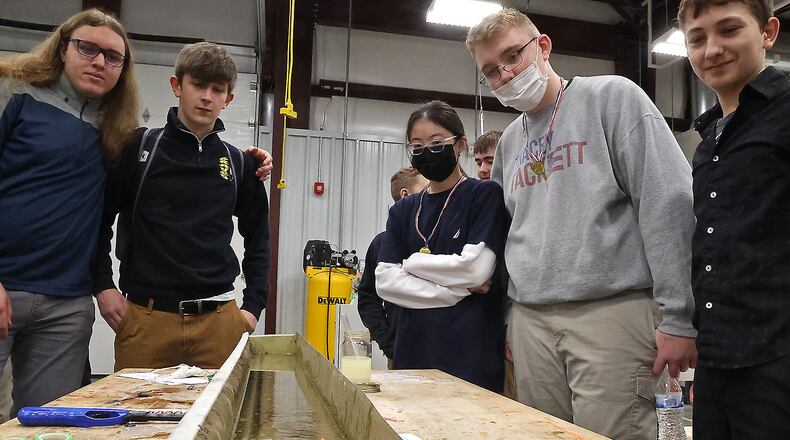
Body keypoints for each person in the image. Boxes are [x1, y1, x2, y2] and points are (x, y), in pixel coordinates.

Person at [466, 9, 697, 438]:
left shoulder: (612, 98)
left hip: (610, 311)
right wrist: (507, 319)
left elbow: (667, 203)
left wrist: (678, 317)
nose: (505, 74)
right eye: (491, 72)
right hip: (530, 320)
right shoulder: (510, 142)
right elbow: (501, 235)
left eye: (513, 56)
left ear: (544, 46)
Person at [94, 42, 270, 370]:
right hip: (147, 322)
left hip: (219, 325)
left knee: (220, 421)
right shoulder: (138, 148)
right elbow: (99, 221)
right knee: (137, 420)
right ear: (177, 86)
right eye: (198, 85)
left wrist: (253, 307)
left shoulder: (240, 164)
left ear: (228, 99)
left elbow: (259, 238)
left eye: (217, 90)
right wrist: (103, 285)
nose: (206, 97)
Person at [0, 9, 140, 415]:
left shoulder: (115, 129)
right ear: (63, 49)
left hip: (65, 308)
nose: (99, 62)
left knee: (48, 425)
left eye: (113, 57)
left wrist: (249, 161)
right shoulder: (14, 92)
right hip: (4, 287)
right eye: (88, 48)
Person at [678, 1, 790, 438]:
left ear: (768, 32)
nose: (713, 49)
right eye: (698, 37)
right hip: (718, 357)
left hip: (777, 356)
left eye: (729, 30)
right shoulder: (707, 141)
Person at [375, 100, 509, 392]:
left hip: (471, 353)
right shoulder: (403, 210)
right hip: (413, 353)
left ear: (460, 145)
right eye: (417, 146)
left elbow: (475, 270)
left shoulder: (484, 195)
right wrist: (453, 290)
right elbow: (385, 281)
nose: (427, 153)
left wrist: (411, 265)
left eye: (437, 143)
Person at [357, 167, 427, 367]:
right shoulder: (382, 244)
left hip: (444, 352)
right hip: (402, 356)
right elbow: (368, 297)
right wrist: (389, 343)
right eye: (426, 188)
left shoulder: (437, 238)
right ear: (405, 195)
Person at [473, 130, 517, 400]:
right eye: (478, 162)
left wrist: (510, 324)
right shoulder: (478, 205)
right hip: (483, 325)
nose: (482, 169)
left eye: (490, 160)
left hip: (515, 320)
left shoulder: (517, 209)